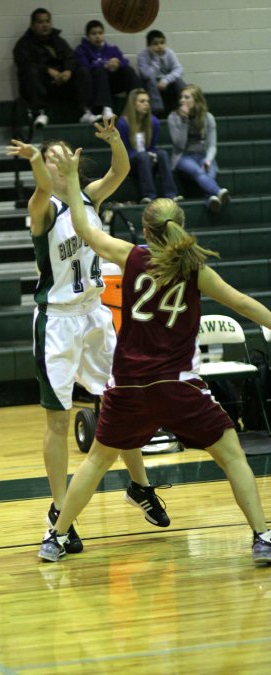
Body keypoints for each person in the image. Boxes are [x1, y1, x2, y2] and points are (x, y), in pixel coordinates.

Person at [36, 146, 271, 566]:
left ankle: (54, 538)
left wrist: (71, 180)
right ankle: (262, 537)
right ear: (180, 227)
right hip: (177, 385)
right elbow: (242, 303)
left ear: (145, 231)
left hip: (128, 385)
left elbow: (87, 234)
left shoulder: (132, 257)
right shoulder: (196, 268)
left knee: (96, 462)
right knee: (232, 455)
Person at [6, 117, 171, 554]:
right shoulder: (41, 207)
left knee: (123, 403)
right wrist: (36, 161)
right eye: (52, 158)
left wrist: (116, 140)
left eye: (63, 155)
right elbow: (41, 185)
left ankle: (139, 486)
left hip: (95, 315)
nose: (60, 162)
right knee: (58, 421)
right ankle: (60, 513)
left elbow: (120, 172)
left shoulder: (88, 197)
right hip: (57, 321)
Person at [13, 8, 102, 128]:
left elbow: (71, 58)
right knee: (31, 72)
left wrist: (68, 71)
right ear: (33, 25)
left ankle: (84, 111)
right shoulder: (23, 44)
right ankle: (40, 112)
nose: (45, 25)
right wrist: (47, 70)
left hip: (62, 83)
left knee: (82, 71)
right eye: (40, 22)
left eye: (47, 21)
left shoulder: (58, 40)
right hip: (41, 84)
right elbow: (25, 64)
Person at [168, 84, 230, 213]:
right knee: (198, 172)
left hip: (203, 155)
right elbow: (179, 144)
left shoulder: (208, 118)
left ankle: (211, 200)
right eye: (181, 97)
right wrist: (184, 121)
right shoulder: (173, 118)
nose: (182, 100)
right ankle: (218, 191)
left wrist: (208, 160)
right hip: (183, 157)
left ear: (196, 100)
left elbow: (212, 145)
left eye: (186, 97)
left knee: (210, 173)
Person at [116, 88, 183, 204]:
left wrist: (151, 154)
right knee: (143, 156)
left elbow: (152, 147)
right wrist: (145, 155)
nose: (146, 104)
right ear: (133, 104)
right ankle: (149, 196)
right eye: (142, 101)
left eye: (147, 101)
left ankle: (171, 194)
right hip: (129, 162)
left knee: (162, 154)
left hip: (146, 160)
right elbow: (124, 152)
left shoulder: (154, 122)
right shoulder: (123, 124)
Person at [75, 20, 141, 120]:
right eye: (93, 33)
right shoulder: (81, 49)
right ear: (87, 36)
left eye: (100, 33)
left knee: (128, 70)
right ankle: (106, 108)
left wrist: (118, 64)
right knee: (100, 71)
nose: (97, 36)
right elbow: (84, 66)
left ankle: (138, 103)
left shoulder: (112, 49)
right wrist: (104, 65)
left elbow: (125, 62)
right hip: (94, 85)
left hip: (112, 83)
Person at [137, 30, 186, 117]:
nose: (159, 46)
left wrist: (166, 80)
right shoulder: (142, 55)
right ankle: (157, 110)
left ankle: (185, 106)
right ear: (148, 46)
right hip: (149, 83)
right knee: (150, 80)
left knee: (179, 81)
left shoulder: (169, 53)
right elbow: (146, 75)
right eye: (155, 44)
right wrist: (156, 59)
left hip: (165, 81)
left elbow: (179, 69)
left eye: (162, 43)